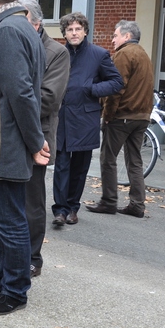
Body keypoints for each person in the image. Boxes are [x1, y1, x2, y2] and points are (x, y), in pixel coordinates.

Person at [0, 0, 49, 316]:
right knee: (0, 213)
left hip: (5, 140)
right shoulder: (22, 27)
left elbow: (19, 91)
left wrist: (36, 141)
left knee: (8, 219)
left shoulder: (6, 30)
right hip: (6, 138)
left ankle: (15, 289)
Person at [52, 12, 124, 227]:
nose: (74, 33)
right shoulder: (58, 53)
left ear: (85, 31)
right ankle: (60, 210)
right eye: (70, 29)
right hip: (62, 118)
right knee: (61, 166)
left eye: (77, 29)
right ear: (64, 33)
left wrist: (91, 89)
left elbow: (116, 82)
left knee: (79, 168)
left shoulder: (99, 54)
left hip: (85, 119)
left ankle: (73, 207)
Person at [18, 0, 70, 277]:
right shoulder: (11, 43)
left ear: (36, 23)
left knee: (31, 202)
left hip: (38, 137)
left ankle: (31, 258)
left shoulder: (56, 53)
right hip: (10, 134)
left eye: (21, 19)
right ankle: (3, 255)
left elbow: (49, 99)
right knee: (3, 202)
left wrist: (14, 100)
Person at [86, 20, 154, 218]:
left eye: (115, 35)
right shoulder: (144, 54)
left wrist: (107, 116)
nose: (112, 39)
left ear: (126, 36)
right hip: (141, 116)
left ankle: (109, 201)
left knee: (108, 159)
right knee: (135, 161)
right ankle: (137, 204)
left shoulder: (124, 54)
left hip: (123, 116)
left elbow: (116, 88)